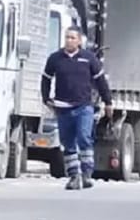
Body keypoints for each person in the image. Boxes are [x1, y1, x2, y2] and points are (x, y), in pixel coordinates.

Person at [40, 26, 113, 190]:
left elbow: (101, 82)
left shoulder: (88, 59)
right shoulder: (55, 58)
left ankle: (87, 173)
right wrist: (46, 98)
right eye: (67, 37)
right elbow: (46, 78)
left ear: (79, 41)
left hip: (83, 106)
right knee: (68, 142)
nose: (69, 40)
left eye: (72, 38)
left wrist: (108, 102)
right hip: (62, 107)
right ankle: (73, 175)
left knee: (84, 137)